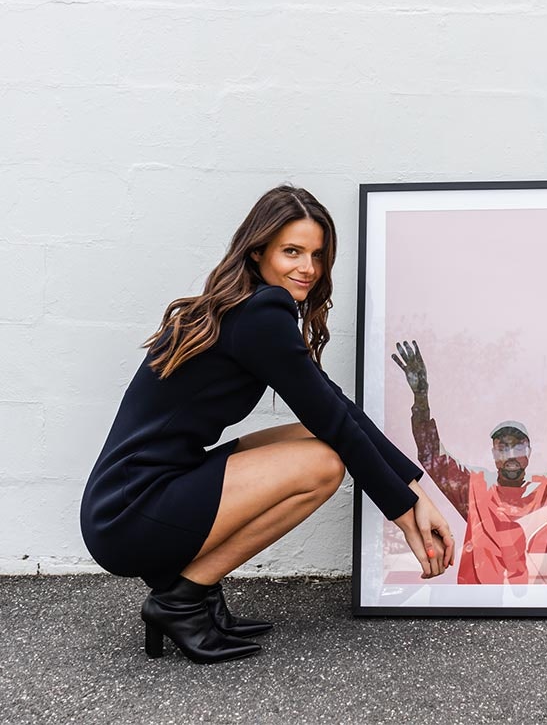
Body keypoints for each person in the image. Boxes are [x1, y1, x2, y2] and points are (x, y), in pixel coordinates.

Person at [80, 186, 455, 665]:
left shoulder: (245, 306)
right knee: (322, 464)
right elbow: (335, 422)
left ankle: (197, 591)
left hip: (133, 496)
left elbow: (336, 409)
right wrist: (404, 513)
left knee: (312, 437)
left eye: (317, 255)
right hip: (132, 512)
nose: (308, 268)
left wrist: (414, 487)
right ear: (258, 251)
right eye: (292, 252)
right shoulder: (261, 314)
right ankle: (182, 599)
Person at [391, 339, 547, 585]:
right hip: (482, 606)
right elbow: (432, 457)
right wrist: (420, 398)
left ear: (530, 451)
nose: (511, 454)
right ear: (493, 453)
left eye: (518, 446)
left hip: (544, 606)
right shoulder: (474, 491)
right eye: (502, 447)